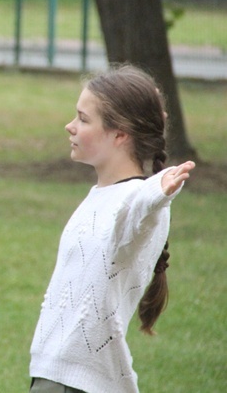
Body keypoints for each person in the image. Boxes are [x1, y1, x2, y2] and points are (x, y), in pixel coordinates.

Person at [29, 65, 196, 393]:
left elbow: (131, 225)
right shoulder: (100, 196)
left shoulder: (139, 201)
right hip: (54, 373)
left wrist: (155, 194)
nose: (70, 126)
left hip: (75, 383)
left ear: (120, 134)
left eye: (83, 119)